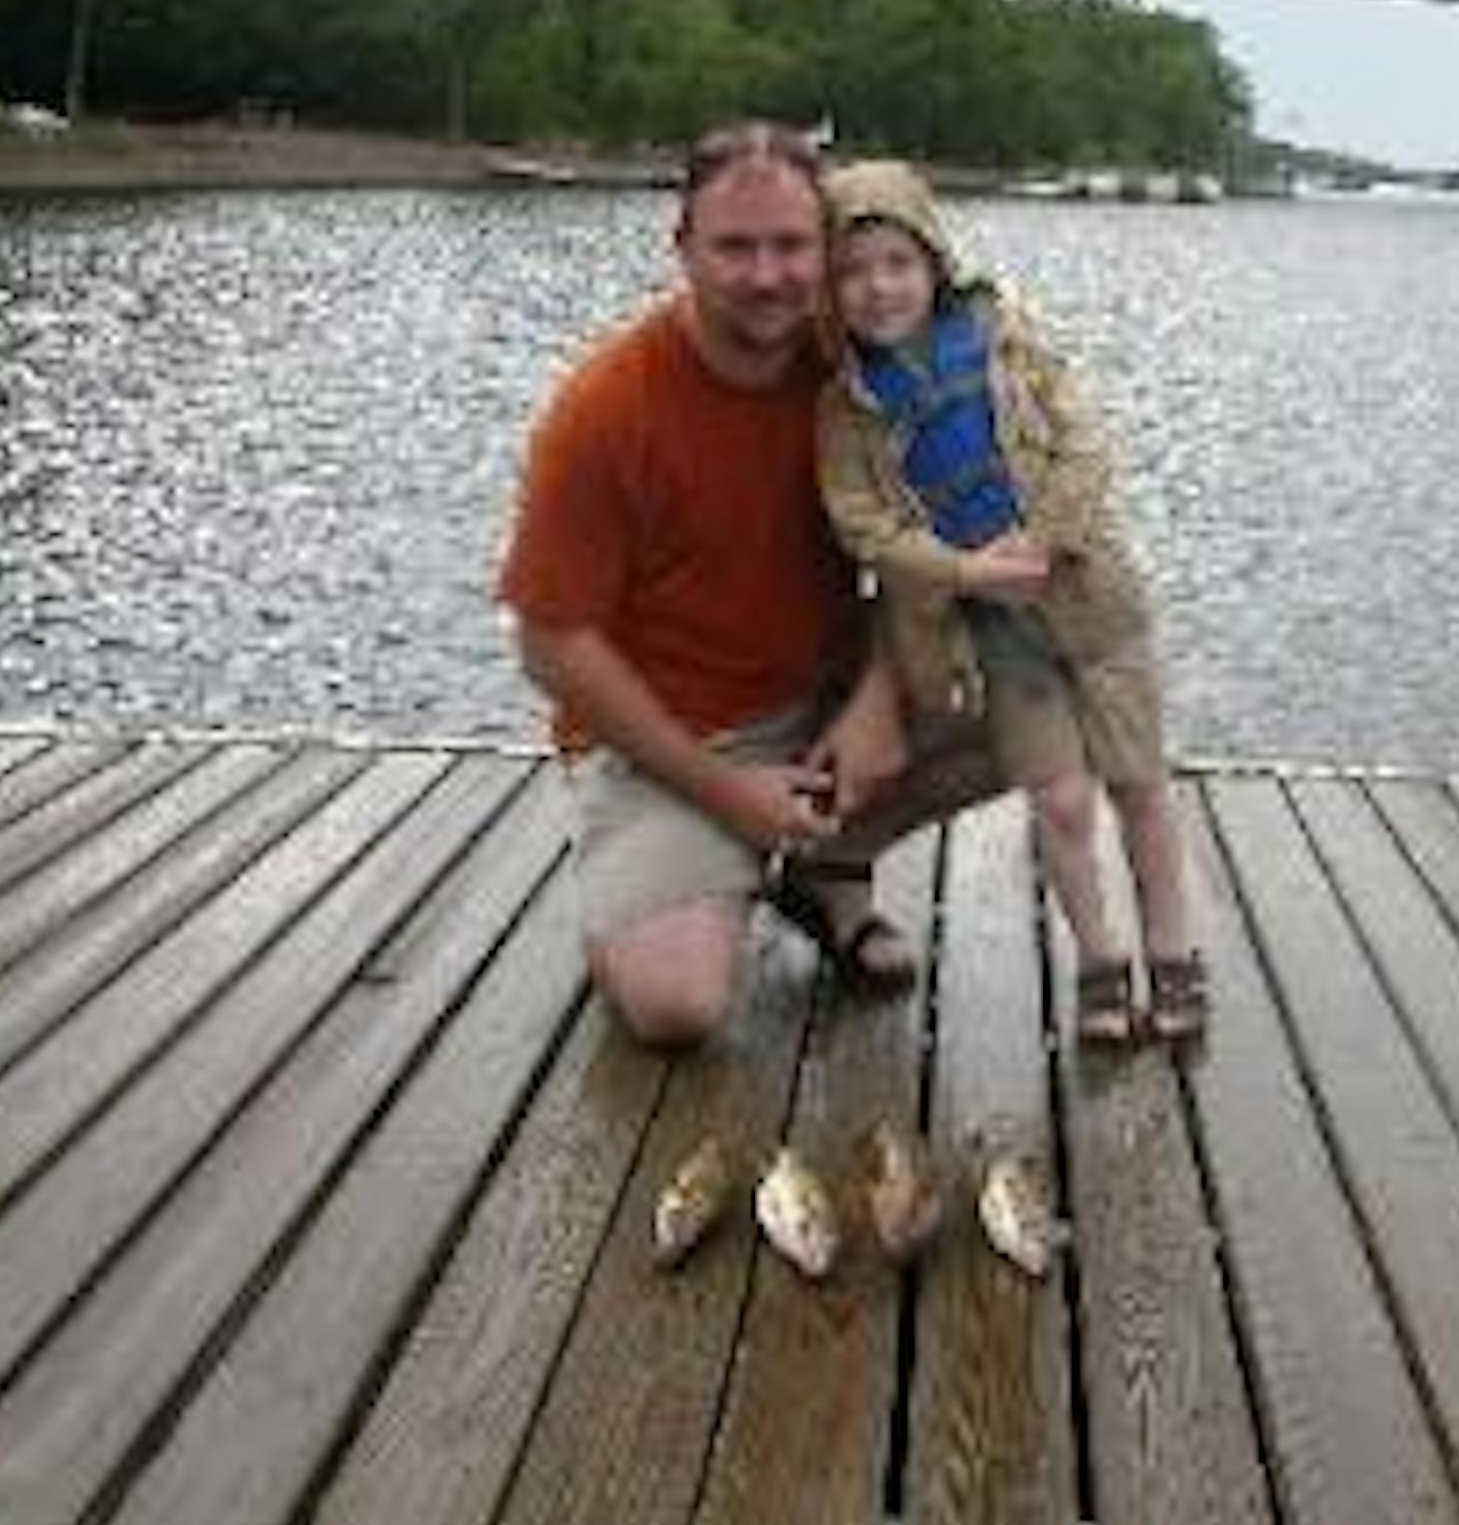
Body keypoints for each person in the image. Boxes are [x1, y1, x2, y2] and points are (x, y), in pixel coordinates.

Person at [497, 123, 994, 1047]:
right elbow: (549, 639)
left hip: (832, 703)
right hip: (677, 733)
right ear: (682, 246)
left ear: (825, 249)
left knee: (1052, 671)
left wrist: (880, 701)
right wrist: (728, 793)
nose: (768, 275)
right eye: (735, 247)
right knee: (676, 1007)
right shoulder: (605, 409)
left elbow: (942, 533)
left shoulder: (859, 365)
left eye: (792, 246)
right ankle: (684, 870)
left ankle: (829, 864)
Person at [815, 159, 1208, 1044]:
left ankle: (1173, 948)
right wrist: (965, 574)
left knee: (1139, 785)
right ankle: (1102, 961)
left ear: (934, 264)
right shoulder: (845, 410)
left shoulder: (1006, 336)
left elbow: (1084, 441)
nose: (878, 289)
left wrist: (1043, 538)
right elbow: (866, 528)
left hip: (1091, 599)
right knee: (1061, 801)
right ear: (830, 291)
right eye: (852, 271)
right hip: (990, 630)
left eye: (896, 264)